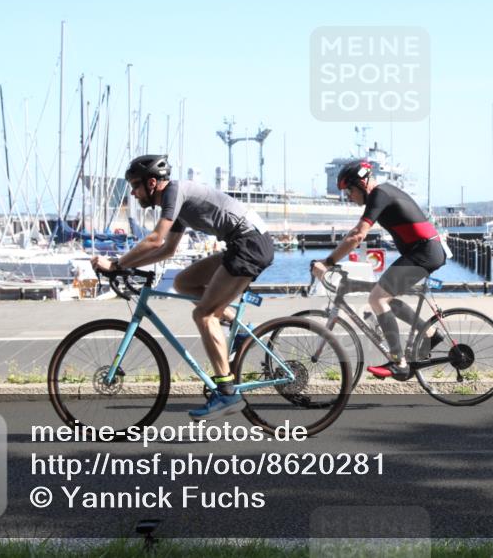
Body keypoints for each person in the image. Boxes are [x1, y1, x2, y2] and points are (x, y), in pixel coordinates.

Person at [92, 155, 274, 418]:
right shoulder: (174, 201)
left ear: (152, 182)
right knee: (183, 282)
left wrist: (116, 263)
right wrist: (127, 266)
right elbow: (167, 249)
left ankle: (227, 394)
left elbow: (155, 239)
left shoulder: (174, 192)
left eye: (135, 185)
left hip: (250, 244)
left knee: (203, 314)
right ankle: (240, 331)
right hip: (242, 244)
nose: (132, 192)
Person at [311, 160, 446, 380]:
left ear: (362, 184)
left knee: (377, 299)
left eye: (350, 191)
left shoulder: (379, 195)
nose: (349, 197)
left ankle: (399, 362)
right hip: (422, 251)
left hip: (424, 253)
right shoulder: (382, 194)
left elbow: (357, 235)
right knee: (384, 295)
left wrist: (328, 262)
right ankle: (430, 334)